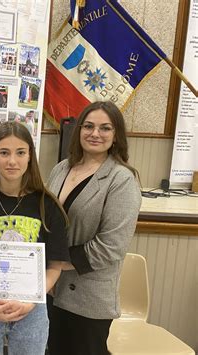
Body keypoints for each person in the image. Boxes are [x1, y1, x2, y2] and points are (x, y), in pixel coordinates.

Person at [0, 121, 69, 355]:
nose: (12, 161)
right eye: (4, 153)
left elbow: (55, 266)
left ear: (30, 156)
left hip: (31, 308)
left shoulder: (47, 205)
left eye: (20, 153)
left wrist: (32, 300)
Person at [47, 101, 142, 355]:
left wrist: (55, 264)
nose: (95, 133)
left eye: (105, 128)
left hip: (88, 299)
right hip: (52, 291)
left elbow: (111, 247)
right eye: (88, 126)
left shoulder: (122, 179)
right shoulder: (61, 168)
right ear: (78, 130)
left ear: (116, 135)